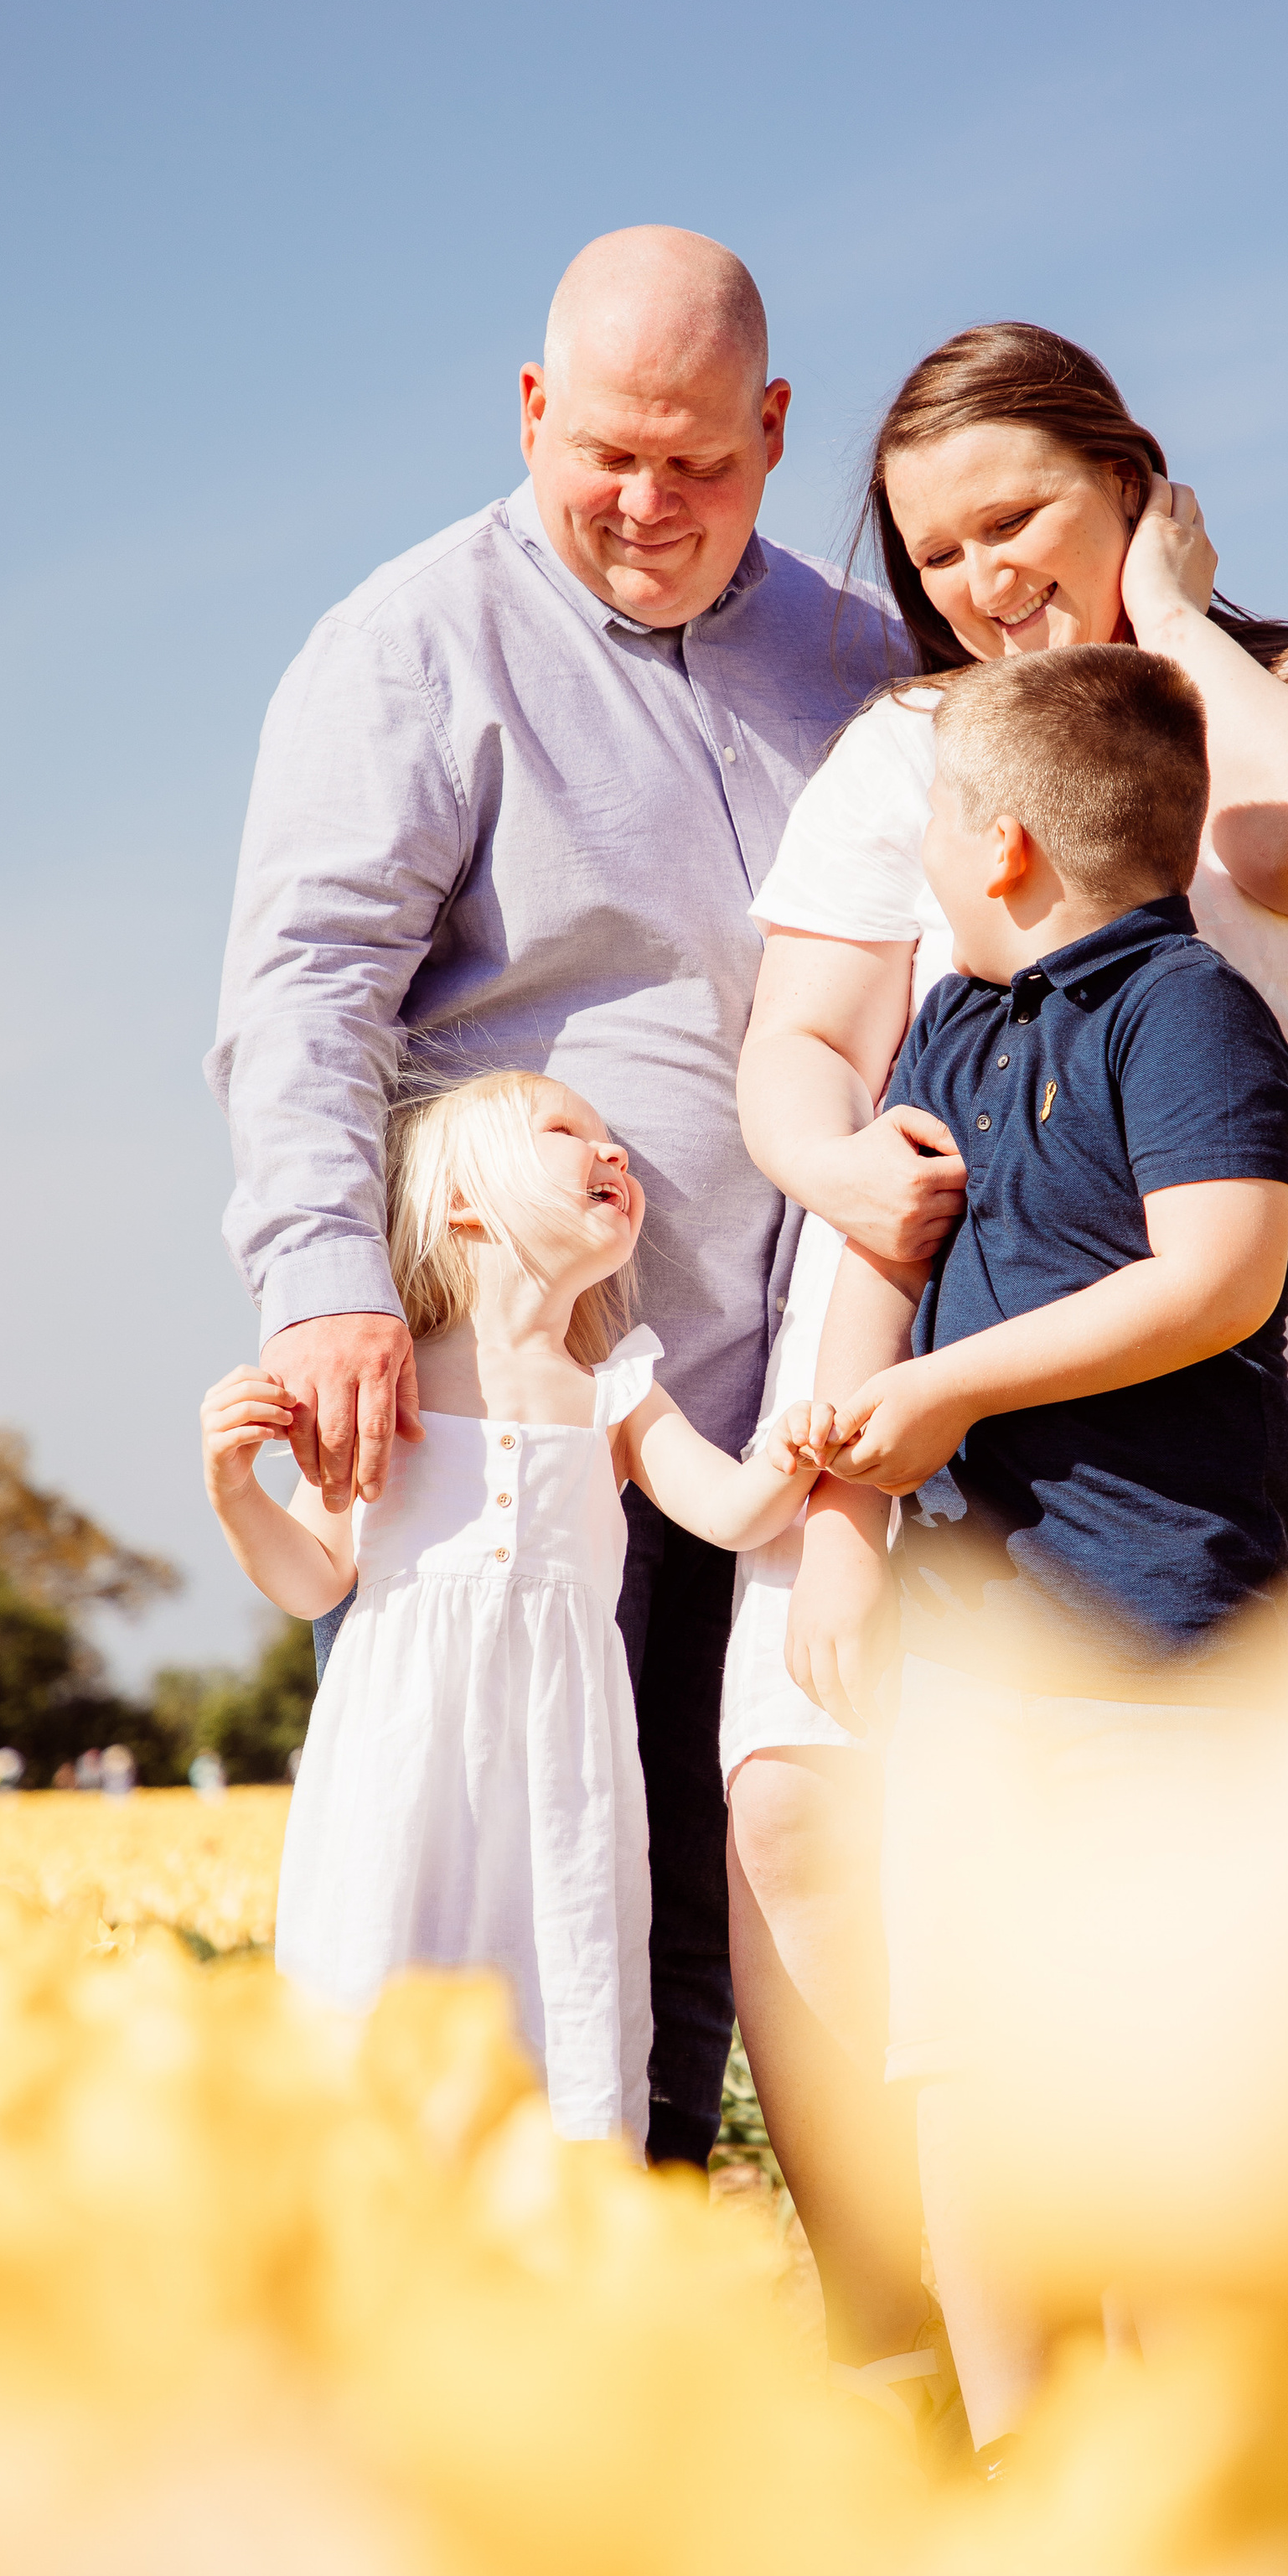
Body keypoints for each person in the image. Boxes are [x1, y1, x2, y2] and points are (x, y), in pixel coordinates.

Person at [720, 321, 1288, 2371]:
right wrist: (839, 1189)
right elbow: (812, 1043)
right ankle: (939, 2343)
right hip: (967, 1295)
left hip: (1259, 1316)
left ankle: (1263, 2345)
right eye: (930, 546)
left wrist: (1178, 624)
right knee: (845, 1819)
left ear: (1129, 475)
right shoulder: (917, 756)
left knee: (1254, 1860)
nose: (974, 574)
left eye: (1013, 514)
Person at [206, 226, 896, 2172]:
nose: (645, 501)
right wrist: (327, 1280)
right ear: (529, 410)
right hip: (481, 1421)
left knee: (668, 1897)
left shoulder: (857, 659)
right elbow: (304, 986)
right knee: (448, 1891)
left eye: (697, 459)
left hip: (762, 1399)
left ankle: (633, 2332)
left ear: (773, 433)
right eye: (604, 449)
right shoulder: (410, 643)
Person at [790, 644, 1288, 2450]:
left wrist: (948, 1392)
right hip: (963, 1646)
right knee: (962, 2056)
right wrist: (847, 1525)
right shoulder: (946, 1021)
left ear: (999, 844)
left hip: (1160, 1636)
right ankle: (1019, 2458)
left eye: (933, 820)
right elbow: (884, 1263)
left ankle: (1176, 2458)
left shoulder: (1185, 1012)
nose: (926, 853)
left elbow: (1218, 1271)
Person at [199, 1071, 834, 2148]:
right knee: (380, 1965)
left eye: (616, 1140)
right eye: (569, 1132)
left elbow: (726, 1511)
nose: (616, 1154)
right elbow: (314, 1574)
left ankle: (551, 2242)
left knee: (561, 1975)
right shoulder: (382, 1376)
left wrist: (789, 1451)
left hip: (561, 1768)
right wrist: (230, 1488)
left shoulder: (617, 1385)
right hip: (400, 1758)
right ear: (461, 1201)